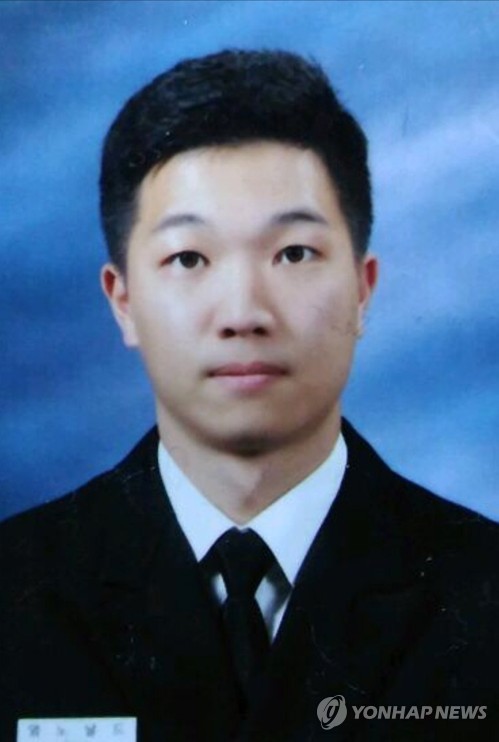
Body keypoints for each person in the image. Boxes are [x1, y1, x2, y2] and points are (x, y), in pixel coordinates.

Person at [1, 49, 498, 742]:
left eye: (293, 253)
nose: (243, 313)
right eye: (189, 258)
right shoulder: (18, 587)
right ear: (123, 302)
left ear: (362, 290)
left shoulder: (481, 588)